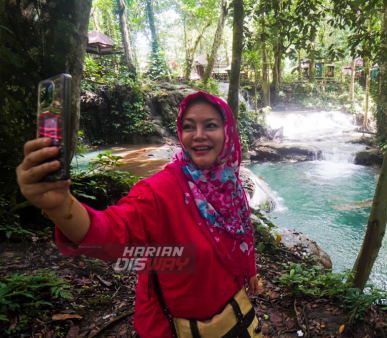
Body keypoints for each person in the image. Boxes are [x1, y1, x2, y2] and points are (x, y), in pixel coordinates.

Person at [16, 91, 260, 338]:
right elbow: (111, 232)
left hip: (230, 318)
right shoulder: (160, 191)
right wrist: (61, 206)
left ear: (227, 132)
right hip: (171, 329)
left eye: (210, 125)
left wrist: (248, 270)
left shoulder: (229, 184)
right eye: (189, 127)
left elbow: (238, 237)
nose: (198, 136)